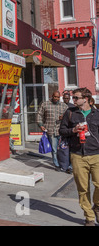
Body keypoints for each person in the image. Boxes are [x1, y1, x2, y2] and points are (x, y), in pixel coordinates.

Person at [59, 87, 99, 226]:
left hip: (96, 155)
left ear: (86, 99)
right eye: (73, 97)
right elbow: (62, 131)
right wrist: (73, 130)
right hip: (77, 155)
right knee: (83, 188)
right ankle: (89, 217)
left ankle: (97, 206)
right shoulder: (70, 113)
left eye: (76, 97)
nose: (73, 100)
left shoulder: (96, 113)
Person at [37, 91, 68, 169]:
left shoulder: (64, 106)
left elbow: (69, 117)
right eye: (55, 97)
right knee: (54, 149)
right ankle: (56, 164)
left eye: (58, 97)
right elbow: (39, 115)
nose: (56, 98)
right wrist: (41, 125)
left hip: (61, 131)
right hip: (50, 130)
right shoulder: (45, 104)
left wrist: (63, 118)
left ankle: (63, 163)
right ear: (52, 96)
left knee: (62, 149)